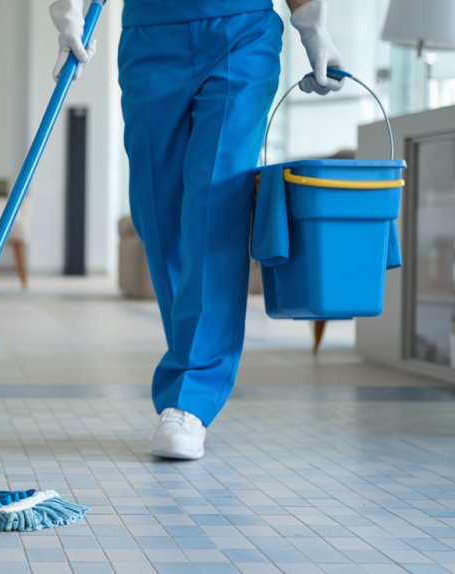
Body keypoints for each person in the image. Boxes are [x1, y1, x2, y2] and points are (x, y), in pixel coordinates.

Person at [50, 0, 345, 458]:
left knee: (213, 210)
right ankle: (192, 369)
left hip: (240, 32)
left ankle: (190, 398)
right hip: (149, 35)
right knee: (156, 214)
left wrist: (313, 26)